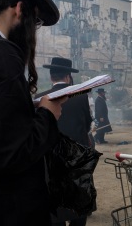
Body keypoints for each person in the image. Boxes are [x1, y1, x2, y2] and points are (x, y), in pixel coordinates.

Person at [0, 0, 66, 225]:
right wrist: (48, 113)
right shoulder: (1, 53)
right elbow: (11, 154)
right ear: (19, 9)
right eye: (35, 20)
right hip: (3, 210)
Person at [34, 57, 94, 226]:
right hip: (77, 159)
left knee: (55, 212)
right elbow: (88, 123)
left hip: (51, 161)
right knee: (78, 209)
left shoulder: (39, 99)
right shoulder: (83, 96)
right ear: (68, 77)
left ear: (52, 77)